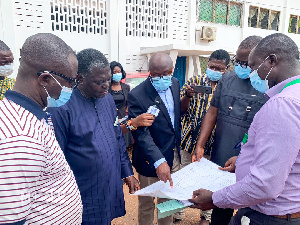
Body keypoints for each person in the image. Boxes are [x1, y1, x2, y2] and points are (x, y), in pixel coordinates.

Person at [190, 33, 300, 225]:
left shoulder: (283, 104)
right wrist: (243, 162)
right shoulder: (293, 94)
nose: (252, 74)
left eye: (254, 66)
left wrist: (214, 199)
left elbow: (265, 185)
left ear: (271, 61)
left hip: (270, 216)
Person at [48, 48, 140, 225]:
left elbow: (117, 138)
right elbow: (56, 158)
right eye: (100, 82)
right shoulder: (61, 108)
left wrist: (126, 172)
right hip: (82, 190)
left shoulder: (106, 100)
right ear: (80, 79)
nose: (107, 85)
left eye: (108, 79)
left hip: (109, 183)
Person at [0, 33, 82, 224]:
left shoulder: (32, 114)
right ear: (45, 79)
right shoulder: (20, 137)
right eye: (70, 82)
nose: (73, 88)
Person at [193, 36, 266, 225]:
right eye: (238, 61)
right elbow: (212, 112)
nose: (241, 66)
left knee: (247, 211)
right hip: (222, 152)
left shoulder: (265, 86)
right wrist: (200, 144)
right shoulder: (227, 79)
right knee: (220, 205)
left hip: (251, 159)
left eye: (246, 62)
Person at [128, 52, 183, 225]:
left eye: (165, 74)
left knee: (167, 201)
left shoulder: (175, 83)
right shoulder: (137, 95)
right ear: (149, 72)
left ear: (172, 70)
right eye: (156, 75)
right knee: (147, 203)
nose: (162, 78)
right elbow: (141, 134)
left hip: (173, 153)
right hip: (149, 159)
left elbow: (174, 117)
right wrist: (159, 161)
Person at [177, 49, 230, 224]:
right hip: (188, 141)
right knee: (184, 178)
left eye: (218, 68)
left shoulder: (228, 87)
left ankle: (205, 217)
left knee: (210, 181)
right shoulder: (194, 82)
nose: (214, 69)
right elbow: (181, 109)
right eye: (211, 66)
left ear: (226, 68)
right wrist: (187, 95)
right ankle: (177, 213)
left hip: (215, 144)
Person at [109, 61, 155, 147]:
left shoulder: (126, 87)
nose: (117, 74)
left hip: (124, 121)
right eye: (114, 72)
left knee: (124, 146)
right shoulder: (105, 88)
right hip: (110, 122)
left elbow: (131, 103)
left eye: (119, 72)